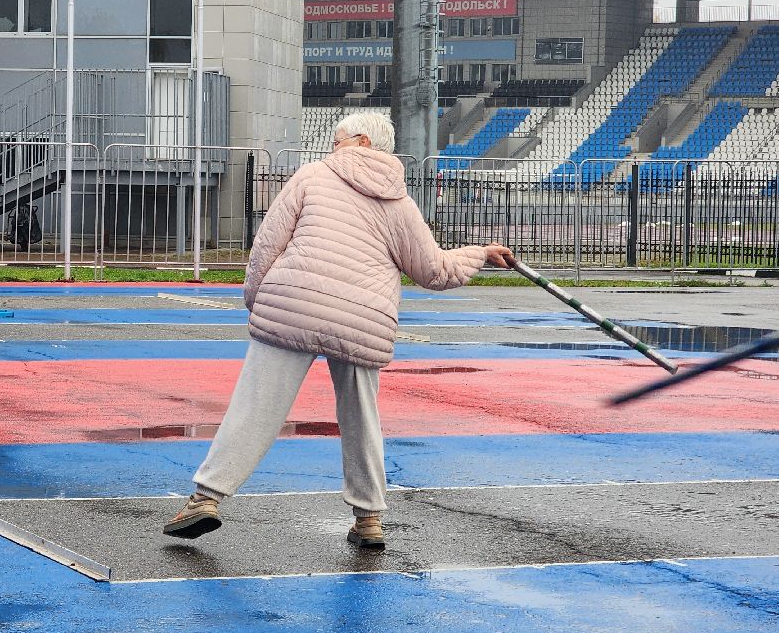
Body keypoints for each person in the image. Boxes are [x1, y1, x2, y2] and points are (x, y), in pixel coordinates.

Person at [163, 110, 515, 551]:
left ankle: (205, 499)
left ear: (363, 142)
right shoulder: (400, 204)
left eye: (338, 140)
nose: (332, 147)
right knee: (362, 419)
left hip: (295, 303)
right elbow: (434, 271)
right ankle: (369, 519)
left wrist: (257, 299)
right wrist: (480, 253)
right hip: (361, 320)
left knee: (256, 407)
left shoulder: (311, 176)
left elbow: (268, 244)